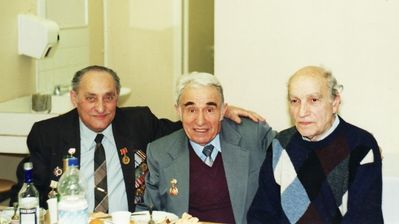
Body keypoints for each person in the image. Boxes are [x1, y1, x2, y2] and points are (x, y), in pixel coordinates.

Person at [9, 65, 264, 213]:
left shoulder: (138, 123)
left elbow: (193, 125)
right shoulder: (49, 134)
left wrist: (221, 113)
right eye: (90, 98)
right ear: (74, 98)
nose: (101, 107)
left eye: (108, 97)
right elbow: (28, 194)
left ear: (117, 97)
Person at [247, 66, 383, 223]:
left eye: (313, 100)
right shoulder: (281, 144)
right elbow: (261, 215)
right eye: (295, 101)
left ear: (334, 103)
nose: (302, 112)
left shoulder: (361, 146)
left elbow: (364, 219)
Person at [144, 72, 276, 223]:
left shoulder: (253, 136)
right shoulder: (159, 152)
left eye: (210, 109)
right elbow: (149, 213)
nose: (200, 121)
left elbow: (292, 147)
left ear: (223, 111)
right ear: (179, 111)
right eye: (191, 110)